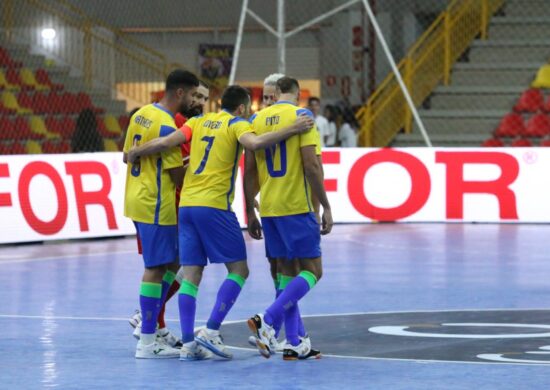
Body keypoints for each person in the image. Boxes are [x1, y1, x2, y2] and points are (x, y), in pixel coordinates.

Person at [127, 85, 314, 361]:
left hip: (187, 206)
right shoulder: (236, 124)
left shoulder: (197, 121)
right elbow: (255, 144)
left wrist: (135, 151)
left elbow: (167, 142)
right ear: (241, 108)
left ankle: (189, 344)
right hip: (214, 207)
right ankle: (212, 329)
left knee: (190, 275)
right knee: (239, 270)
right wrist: (294, 128)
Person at [245, 77, 333, 360]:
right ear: (296, 95)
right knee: (313, 271)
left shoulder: (256, 121)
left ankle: (294, 341)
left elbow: (249, 172)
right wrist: (326, 206)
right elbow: (311, 165)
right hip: (296, 205)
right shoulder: (301, 116)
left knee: (285, 272)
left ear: (276, 94)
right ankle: (267, 319)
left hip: (269, 208)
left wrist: (249, 209)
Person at [128, 80, 211, 348]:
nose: (199, 102)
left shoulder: (147, 115)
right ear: (182, 93)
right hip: (164, 204)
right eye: (195, 95)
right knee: (171, 267)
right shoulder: (176, 125)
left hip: (156, 202)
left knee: (175, 266)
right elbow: (179, 174)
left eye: (204, 98)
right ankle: (148, 322)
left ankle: (156, 324)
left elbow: (127, 154)